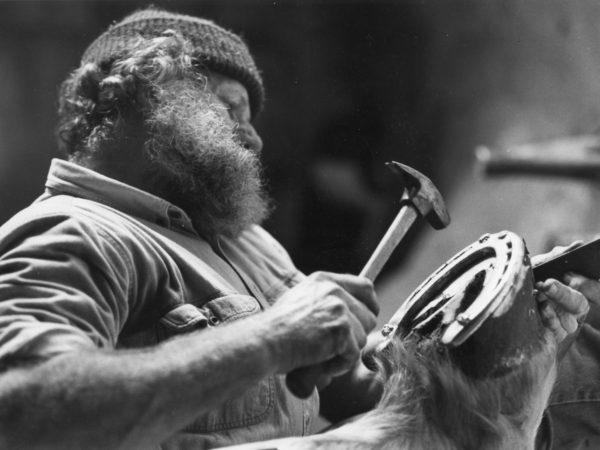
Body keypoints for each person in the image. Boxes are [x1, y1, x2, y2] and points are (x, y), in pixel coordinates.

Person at [0, 6, 592, 450]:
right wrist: (272, 337)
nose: (254, 137)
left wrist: (515, 340)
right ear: (127, 94)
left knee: (584, 353)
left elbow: (358, 391)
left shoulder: (242, 242)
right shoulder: (75, 232)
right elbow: (20, 410)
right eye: (230, 107)